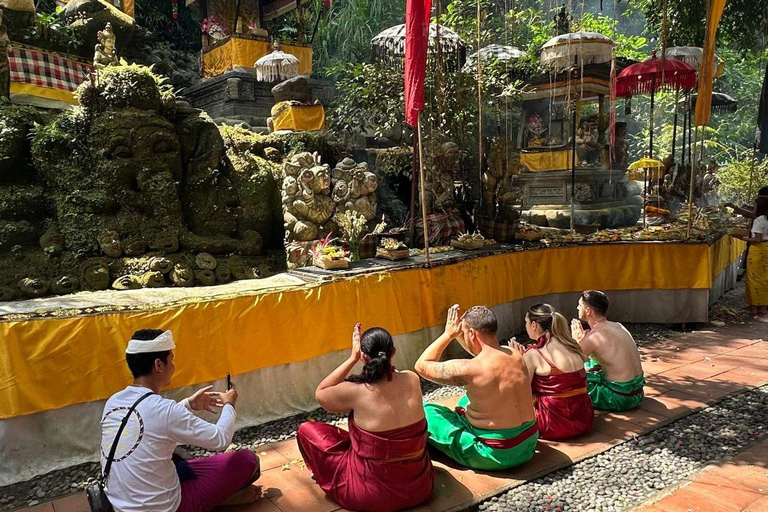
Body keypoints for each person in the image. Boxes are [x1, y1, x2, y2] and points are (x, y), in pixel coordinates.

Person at [100, 329, 261, 512]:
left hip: (118, 504)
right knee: (247, 460)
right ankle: (221, 499)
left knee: (180, 462)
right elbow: (220, 439)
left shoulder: (114, 401)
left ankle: (217, 496)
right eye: (172, 359)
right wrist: (229, 405)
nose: (173, 366)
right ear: (158, 365)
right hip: (163, 507)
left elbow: (151, 427)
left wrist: (189, 405)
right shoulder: (165, 410)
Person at [296, 324, 434, 512]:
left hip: (368, 497)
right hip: (420, 489)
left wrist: (352, 358)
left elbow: (321, 392)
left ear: (364, 356)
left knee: (306, 430)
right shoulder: (412, 379)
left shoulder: (357, 392)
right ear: (393, 352)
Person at [415, 305, 538, 471]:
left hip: (496, 454)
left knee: (426, 410)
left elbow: (421, 366)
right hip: (528, 444)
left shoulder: (469, 369)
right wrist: (463, 332)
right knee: (467, 399)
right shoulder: (515, 354)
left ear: (472, 334)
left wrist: (448, 335)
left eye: (465, 334)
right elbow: (482, 354)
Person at [520, 304, 593, 440]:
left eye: (526, 322)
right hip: (584, 420)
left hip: (551, 425)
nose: (526, 326)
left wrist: (517, 363)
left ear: (534, 325)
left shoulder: (534, 354)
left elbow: (522, 392)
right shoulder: (572, 345)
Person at [571, 292, 645, 411]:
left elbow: (569, 363)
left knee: (570, 382)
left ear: (588, 311)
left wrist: (576, 341)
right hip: (637, 393)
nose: (577, 308)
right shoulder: (618, 325)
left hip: (618, 398)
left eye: (580, 305)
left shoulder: (594, 337)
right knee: (591, 364)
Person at [734, 196, 768, 320]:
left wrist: (743, 238)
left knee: (754, 278)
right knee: (765, 278)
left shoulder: (759, 220)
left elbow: (757, 239)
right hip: (766, 248)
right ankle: (763, 307)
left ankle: (755, 307)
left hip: (758, 250)